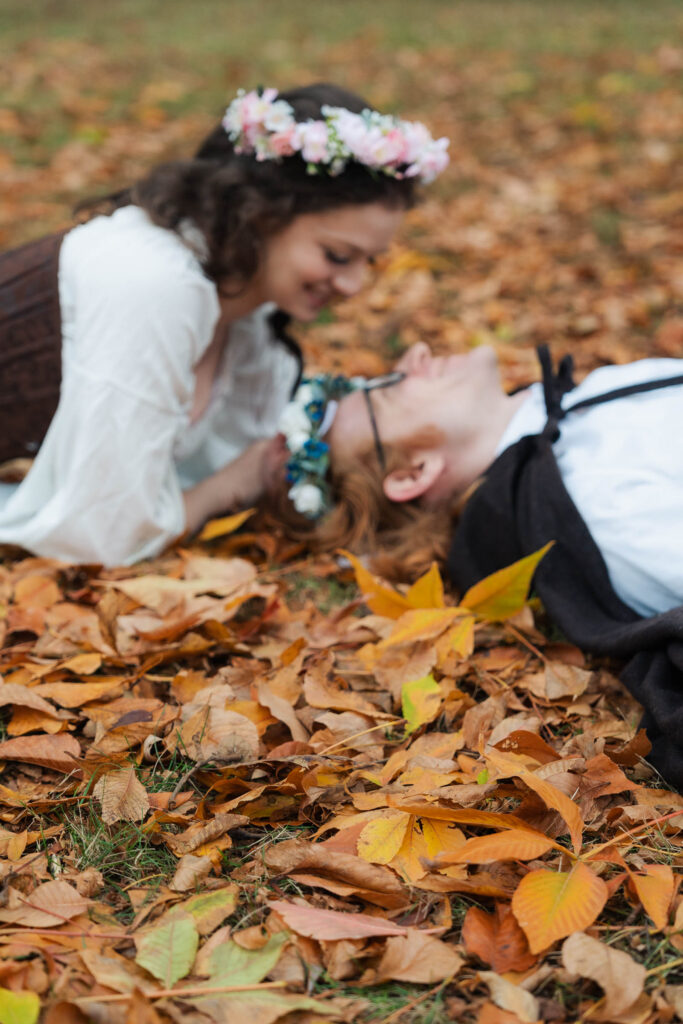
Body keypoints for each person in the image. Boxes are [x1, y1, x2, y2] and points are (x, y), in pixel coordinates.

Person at [0, 83, 449, 566]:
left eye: (370, 262)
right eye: (337, 255)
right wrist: (230, 485)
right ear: (261, 213)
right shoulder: (154, 284)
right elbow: (102, 535)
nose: (355, 284)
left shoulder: (247, 323)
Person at [276, 342, 683, 787]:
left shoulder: (590, 396)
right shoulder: (598, 508)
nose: (417, 351)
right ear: (415, 472)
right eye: (392, 388)